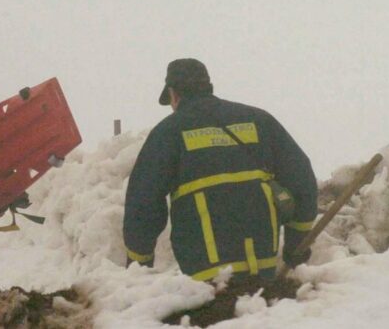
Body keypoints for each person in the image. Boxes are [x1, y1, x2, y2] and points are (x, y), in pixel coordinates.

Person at [123, 59, 318, 282]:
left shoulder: (168, 132)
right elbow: (302, 180)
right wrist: (297, 244)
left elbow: (143, 203)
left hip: (206, 278)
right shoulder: (259, 121)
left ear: (174, 94)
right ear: (208, 87)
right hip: (262, 267)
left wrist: (138, 264)